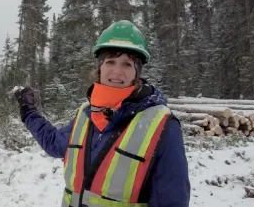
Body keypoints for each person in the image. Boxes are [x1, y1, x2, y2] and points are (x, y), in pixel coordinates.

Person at [14, 20, 190, 207]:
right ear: (100, 67)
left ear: (137, 72)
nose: (117, 71)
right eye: (110, 62)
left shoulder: (163, 125)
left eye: (127, 64)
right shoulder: (85, 115)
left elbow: (172, 201)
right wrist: (28, 111)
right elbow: (53, 143)